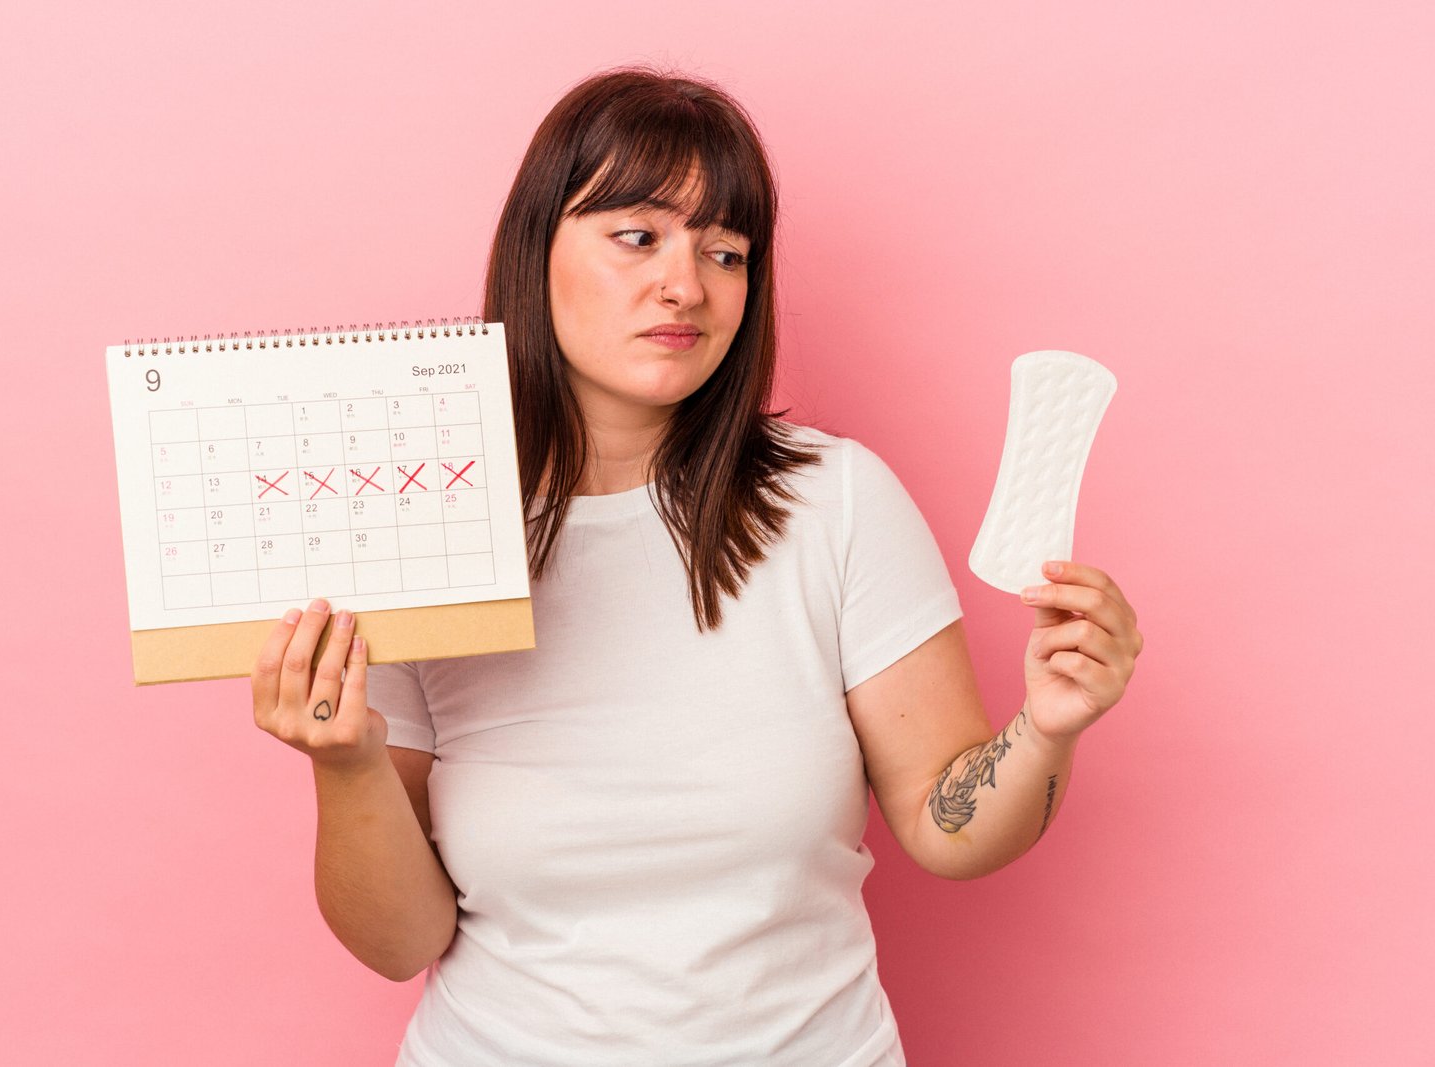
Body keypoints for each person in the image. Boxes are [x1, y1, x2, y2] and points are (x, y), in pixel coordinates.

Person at [250, 65, 1143, 1067]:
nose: (686, 284)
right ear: (534, 250)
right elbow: (401, 940)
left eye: (725, 251)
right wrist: (345, 761)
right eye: (637, 236)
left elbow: (952, 829)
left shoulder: (834, 500)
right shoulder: (427, 530)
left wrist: (1048, 725)